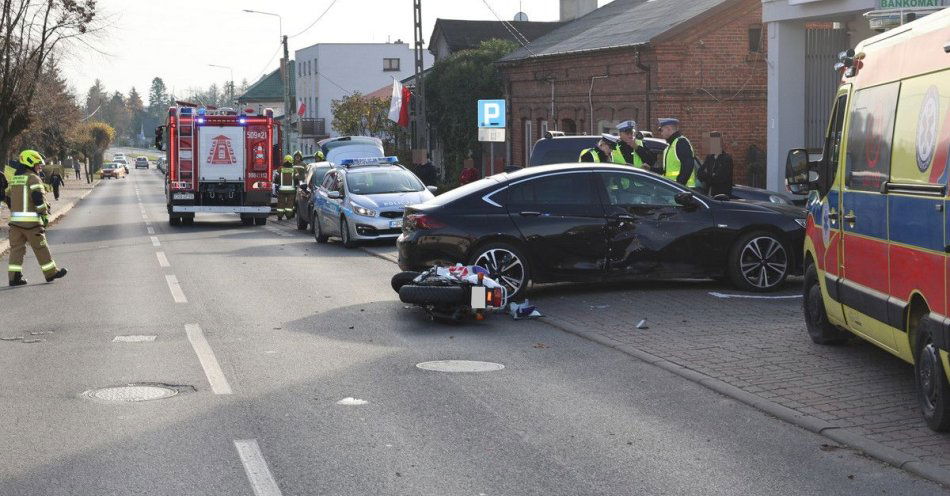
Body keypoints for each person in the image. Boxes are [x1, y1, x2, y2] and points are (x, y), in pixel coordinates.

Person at [4, 150, 67, 286]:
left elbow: (8, 197)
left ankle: (14, 278)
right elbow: (38, 199)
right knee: (41, 248)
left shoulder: (15, 178)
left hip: (15, 224)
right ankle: (51, 273)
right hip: (31, 224)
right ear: (30, 163)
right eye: (38, 164)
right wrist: (44, 214)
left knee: (16, 250)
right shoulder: (33, 178)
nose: (40, 167)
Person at [658, 118, 697, 187]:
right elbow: (666, 171)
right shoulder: (671, 145)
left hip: (683, 192)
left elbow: (687, 167)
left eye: (662, 130)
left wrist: (678, 186)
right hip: (674, 190)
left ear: (668, 129)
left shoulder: (681, 142)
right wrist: (650, 169)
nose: (661, 133)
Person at [698, 131, 734, 197]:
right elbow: (699, 173)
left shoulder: (726, 159)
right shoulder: (709, 157)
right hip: (708, 194)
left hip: (721, 196)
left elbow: (720, 179)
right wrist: (711, 175)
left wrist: (708, 176)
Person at [273, 155, 297, 220]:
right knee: (290, 203)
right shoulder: (294, 170)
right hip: (291, 190)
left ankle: (280, 216)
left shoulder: (280, 169)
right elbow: (297, 179)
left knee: (281, 203)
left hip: (281, 190)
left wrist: (277, 183)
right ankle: (288, 216)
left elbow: (276, 178)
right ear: (291, 161)